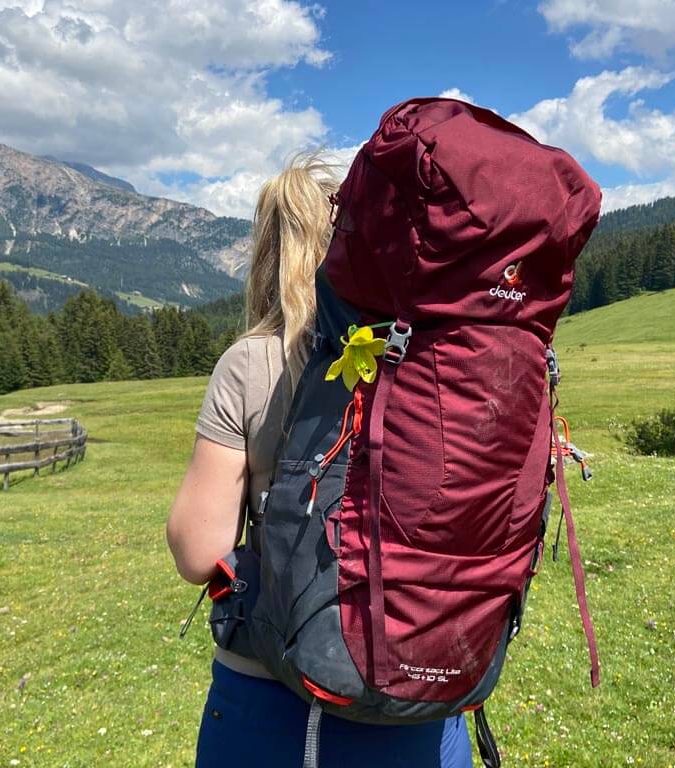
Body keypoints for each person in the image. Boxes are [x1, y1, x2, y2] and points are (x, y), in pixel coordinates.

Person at [166, 153, 473, 768]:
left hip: (277, 696)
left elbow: (198, 554)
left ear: (270, 254)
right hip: (428, 681)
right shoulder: (430, 361)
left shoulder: (251, 365)